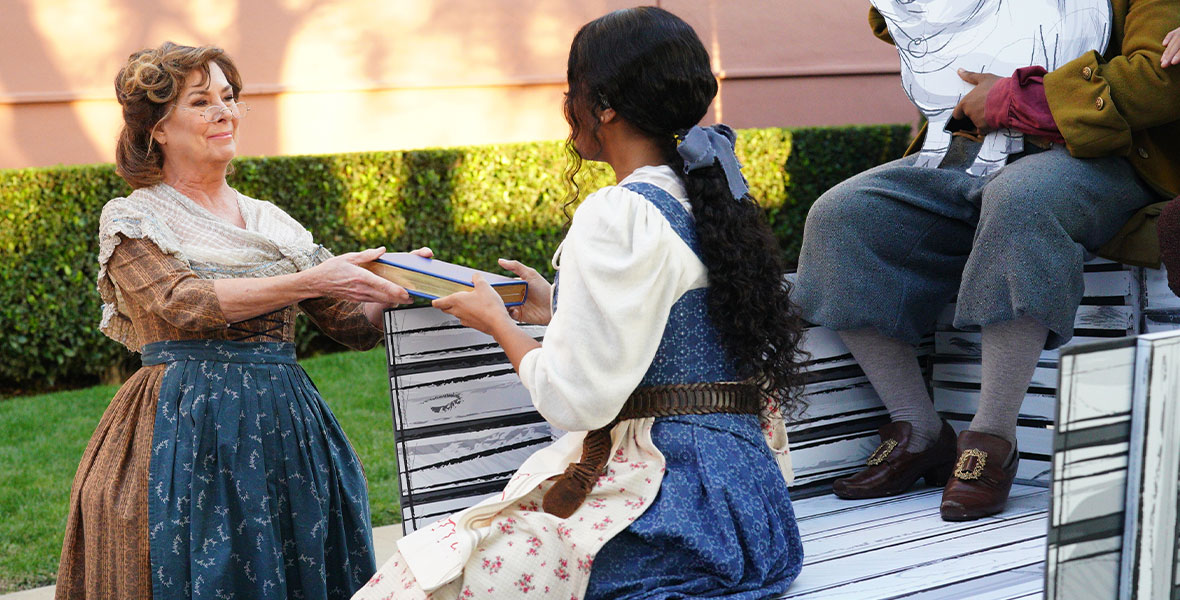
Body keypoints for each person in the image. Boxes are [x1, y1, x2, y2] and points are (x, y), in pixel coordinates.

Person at [354, 7, 805, 599]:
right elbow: (673, 325)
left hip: (676, 509)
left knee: (433, 576)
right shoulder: (706, 197)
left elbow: (576, 401)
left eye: (572, 90)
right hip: (748, 509)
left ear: (603, 105)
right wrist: (558, 308)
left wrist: (500, 325)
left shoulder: (616, 213)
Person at [55, 42, 429, 599]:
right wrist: (313, 279)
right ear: (157, 128)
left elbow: (350, 325)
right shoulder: (135, 217)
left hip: (286, 429)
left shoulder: (271, 222)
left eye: (229, 98)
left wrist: (399, 286)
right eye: (201, 102)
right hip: (181, 428)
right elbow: (183, 303)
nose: (224, 112)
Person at [795, 1, 1180, 521]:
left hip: (1097, 157)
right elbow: (895, 22)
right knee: (842, 216)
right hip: (964, 150)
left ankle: (991, 438)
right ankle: (918, 428)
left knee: (1020, 200)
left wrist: (1017, 98)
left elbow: (1158, 79)